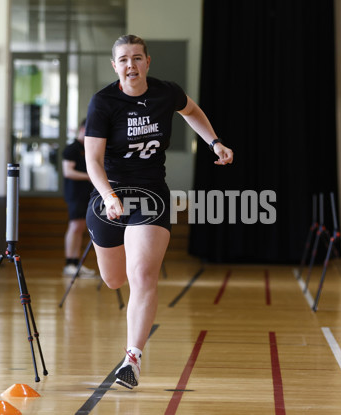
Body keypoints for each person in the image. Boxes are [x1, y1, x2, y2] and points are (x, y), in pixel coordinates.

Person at [83, 34, 234, 389]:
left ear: (147, 62)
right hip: (110, 194)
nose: (130, 65)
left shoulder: (166, 92)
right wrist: (107, 195)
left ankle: (132, 359)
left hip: (151, 193)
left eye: (137, 58)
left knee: (142, 274)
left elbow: (192, 111)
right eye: (123, 59)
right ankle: (131, 351)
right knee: (114, 279)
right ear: (115, 65)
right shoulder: (103, 102)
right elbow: (92, 159)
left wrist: (214, 141)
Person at [61, 119, 97, 278]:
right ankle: (69, 263)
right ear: (82, 129)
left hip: (87, 194)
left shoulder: (89, 148)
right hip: (74, 194)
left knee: (81, 228)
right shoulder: (72, 149)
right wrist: (89, 176)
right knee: (75, 226)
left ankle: (76, 263)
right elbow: (68, 172)